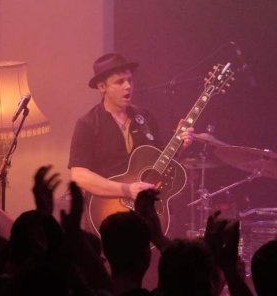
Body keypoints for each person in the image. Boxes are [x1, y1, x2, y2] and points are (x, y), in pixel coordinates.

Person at [68, 53, 193, 225]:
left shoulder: (145, 117)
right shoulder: (88, 123)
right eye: (120, 82)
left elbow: (160, 166)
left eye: (130, 80)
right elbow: (79, 175)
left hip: (146, 214)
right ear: (102, 87)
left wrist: (180, 145)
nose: (128, 86)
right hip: (107, 216)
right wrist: (126, 190)